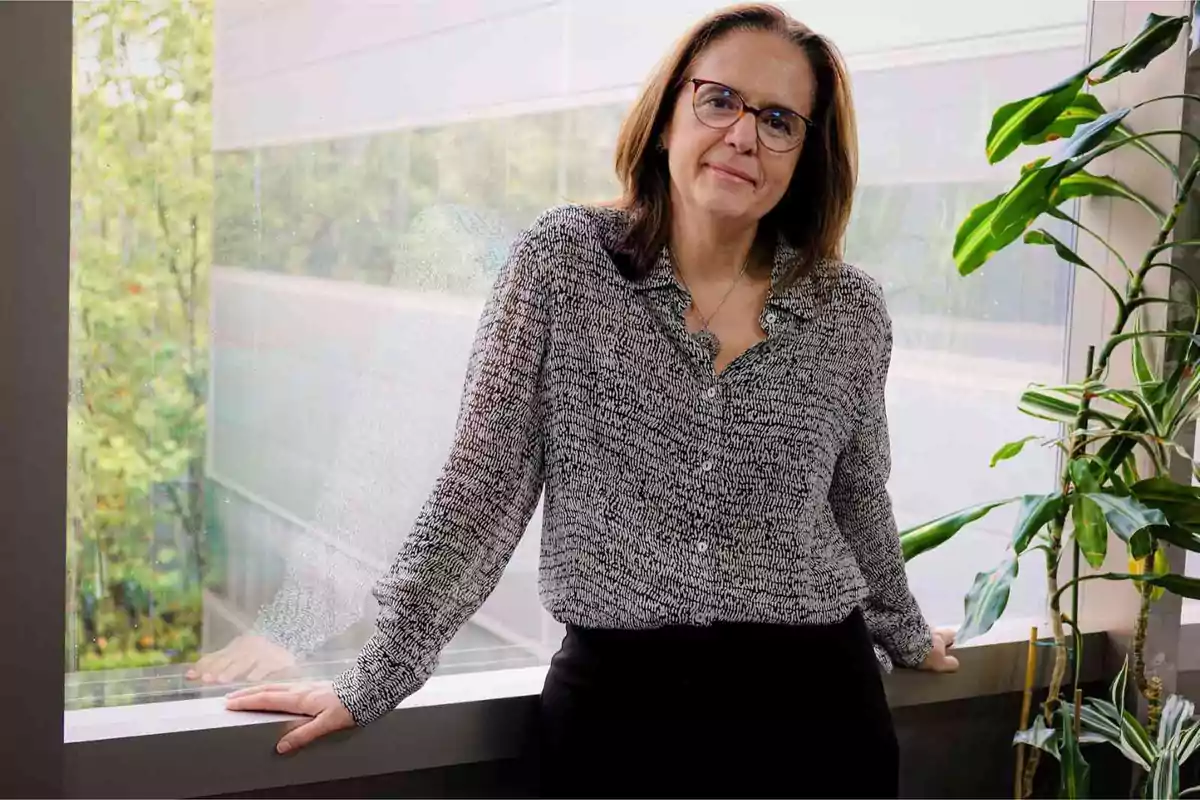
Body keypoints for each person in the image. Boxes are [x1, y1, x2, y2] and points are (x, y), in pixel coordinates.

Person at [225, 3, 960, 797]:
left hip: (819, 714)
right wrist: (377, 673)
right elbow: (484, 485)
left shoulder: (847, 308)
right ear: (669, 110)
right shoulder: (563, 263)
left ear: (805, 153)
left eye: (779, 120)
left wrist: (903, 629)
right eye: (720, 100)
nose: (744, 136)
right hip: (619, 716)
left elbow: (858, 496)